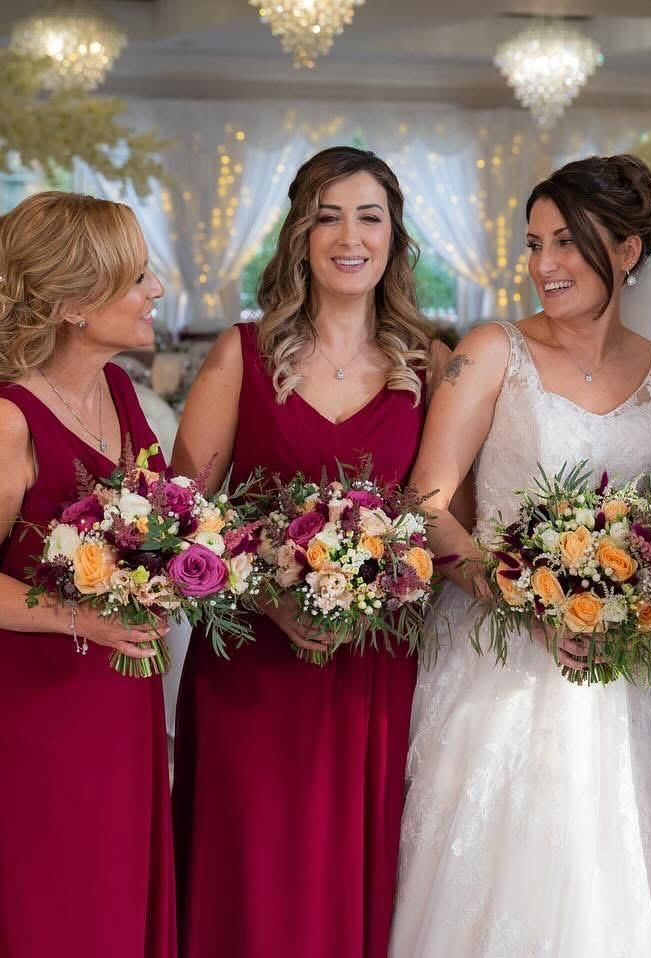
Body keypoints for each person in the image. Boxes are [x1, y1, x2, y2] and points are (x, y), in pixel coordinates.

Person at [390, 154, 651, 957]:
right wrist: (515, 597)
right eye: (534, 245)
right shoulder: (493, 350)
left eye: (567, 242)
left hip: (625, 668)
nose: (544, 266)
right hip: (498, 655)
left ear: (627, 251)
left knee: (617, 871)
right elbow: (425, 500)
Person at [168, 146, 449, 958]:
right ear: (299, 233)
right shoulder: (242, 354)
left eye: (369, 217)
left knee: (354, 870)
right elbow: (182, 519)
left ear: (395, 237)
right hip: (254, 665)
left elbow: (436, 516)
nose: (348, 236)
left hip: (373, 668)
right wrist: (268, 596)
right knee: (251, 867)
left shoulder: (425, 364)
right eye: (327, 216)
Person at [0, 191, 176, 957]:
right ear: (73, 302)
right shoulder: (8, 419)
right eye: (136, 277)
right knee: (41, 911)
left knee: (105, 903)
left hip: (116, 703)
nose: (156, 288)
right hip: (26, 716)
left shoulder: (120, 389)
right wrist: (84, 619)